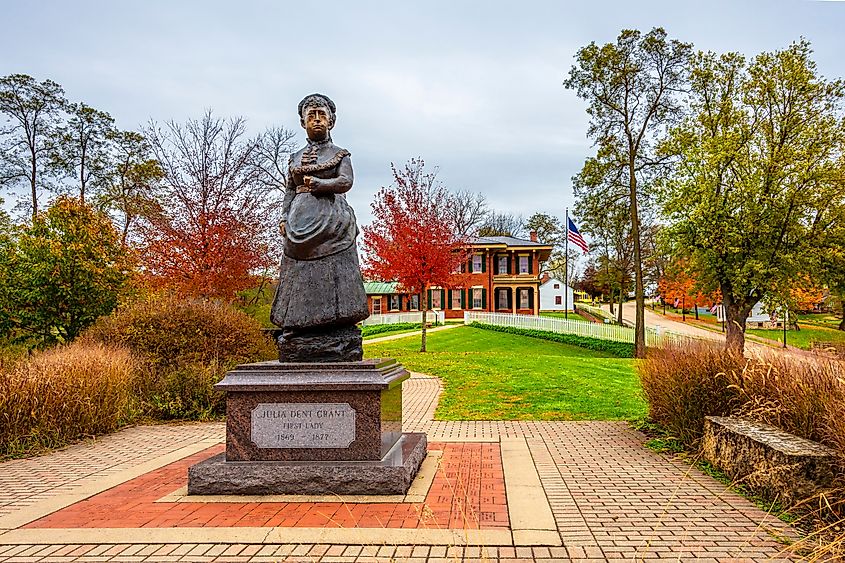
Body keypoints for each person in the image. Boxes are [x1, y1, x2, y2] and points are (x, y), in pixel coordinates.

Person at [270, 94, 369, 361]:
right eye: (311, 114)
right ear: (302, 122)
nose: (316, 119)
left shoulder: (340, 154)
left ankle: (338, 321)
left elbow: (346, 181)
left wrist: (323, 185)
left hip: (332, 219)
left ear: (332, 121)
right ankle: (297, 325)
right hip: (299, 221)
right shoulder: (294, 157)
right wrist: (283, 218)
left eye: (321, 114)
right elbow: (289, 190)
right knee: (297, 270)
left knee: (335, 268)